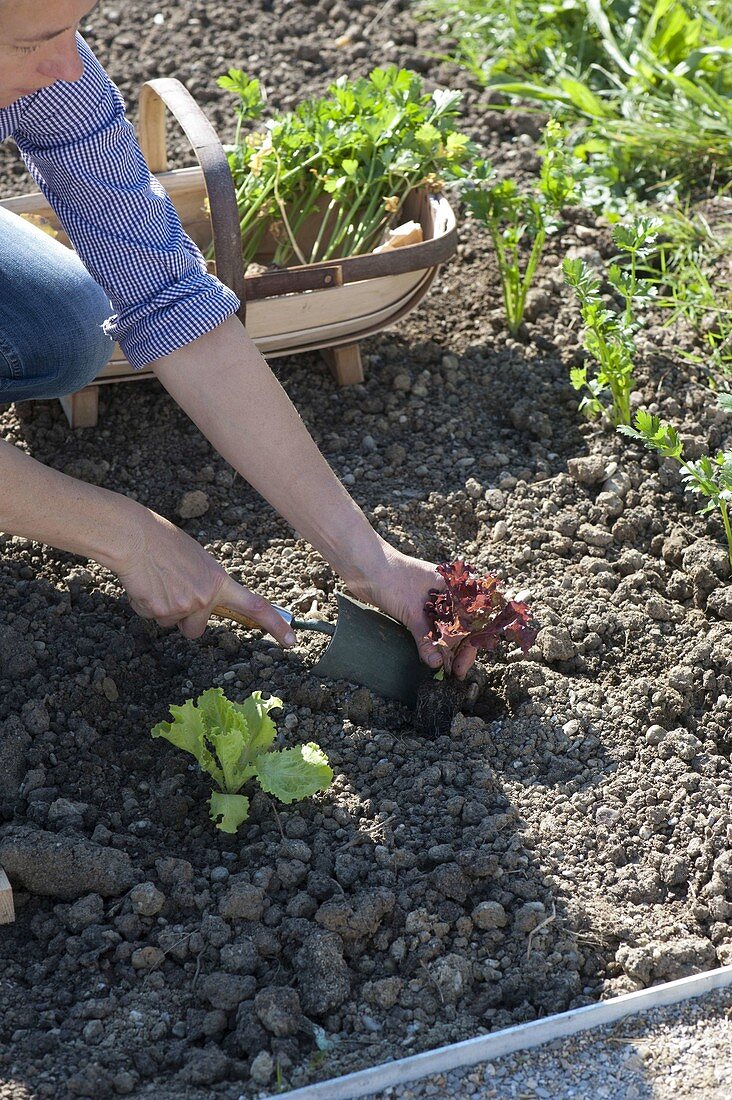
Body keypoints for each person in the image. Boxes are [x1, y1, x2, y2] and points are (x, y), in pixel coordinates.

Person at [0, 0, 476, 680]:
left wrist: (370, 562)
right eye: (38, 40)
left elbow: (167, 294)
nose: (71, 63)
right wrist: (126, 535)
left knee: (67, 325)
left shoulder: (57, 73)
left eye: (78, 26)